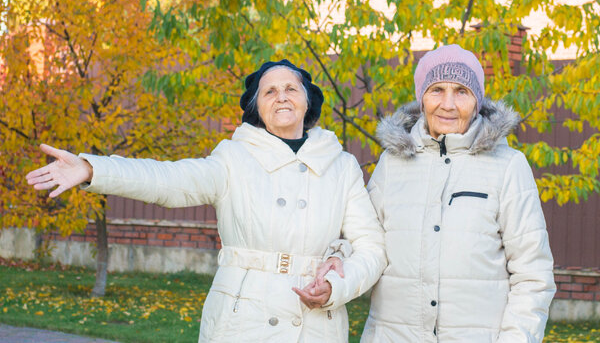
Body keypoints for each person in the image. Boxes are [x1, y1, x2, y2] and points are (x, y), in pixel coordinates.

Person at [26, 59, 387, 342]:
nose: (281, 96)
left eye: (291, 88)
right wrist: (93, 169)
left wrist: (335, 288)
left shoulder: (342, 166)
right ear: (256, 108)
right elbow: (168, 180)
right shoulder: (233, 158)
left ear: (308, 101)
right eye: (269, 91)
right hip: (242, 324)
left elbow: (371, 248)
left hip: (316, 329)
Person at [321, 44, 556, 342]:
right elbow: (364, 241)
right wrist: (338, 258)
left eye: (461, 91)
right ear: (421, 99)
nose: (448, 104)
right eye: (436, 90)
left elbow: (533, 276)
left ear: (477, 100)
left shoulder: (508, 167)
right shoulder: (392, 164)